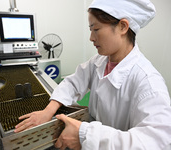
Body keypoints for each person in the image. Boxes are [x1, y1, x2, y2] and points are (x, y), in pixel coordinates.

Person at [14, 0, 171, 149]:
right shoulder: (100, 61)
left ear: (123, 27)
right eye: (90, 30)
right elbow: (73, 83)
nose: (91, 38)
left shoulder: (148, 82)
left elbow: (158, 143)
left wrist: (85, 136)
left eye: (96, 29)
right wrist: (48, 111)